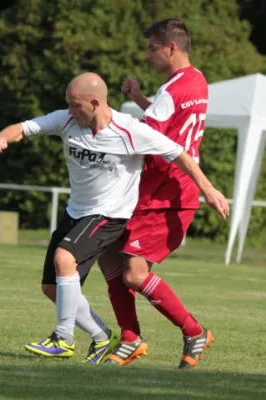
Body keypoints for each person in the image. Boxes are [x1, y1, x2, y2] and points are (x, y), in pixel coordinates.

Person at [0, 72, 229, 365]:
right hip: (76, 211)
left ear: (96, 102)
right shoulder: (66, 120)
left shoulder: (129, 131)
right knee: (52, 288)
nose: (70, 111)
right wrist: (3, 136)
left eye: (76, 105)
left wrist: (208, 189)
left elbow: (179, 153)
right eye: (68, 104)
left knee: (67, 259)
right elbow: (24, 128)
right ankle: (103, 336)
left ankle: (63, 339)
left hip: (110, 214)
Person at [98, 18, 214, 369]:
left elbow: (142, 137)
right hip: (156, 190)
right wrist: (139, 98)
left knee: (133, 273)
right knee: (108, 253)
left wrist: (105, 118)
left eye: (152, 48)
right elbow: (169, 123)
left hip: (167, 193)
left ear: (171, 48)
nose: (148, 55)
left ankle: (194, 331)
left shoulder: (170, 90)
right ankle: (130, 337)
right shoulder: (196, 82)